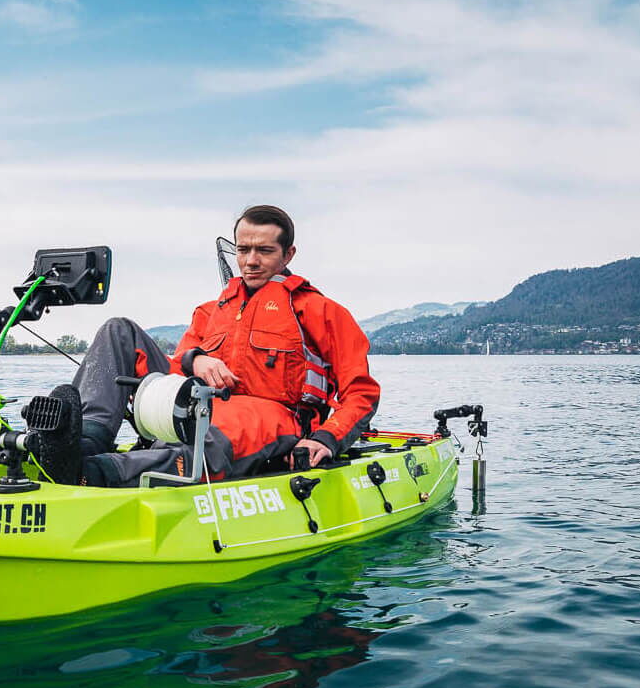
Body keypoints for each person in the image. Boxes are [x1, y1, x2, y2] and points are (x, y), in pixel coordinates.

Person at [31, 204, 380, 486]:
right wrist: (194, 361)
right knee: (118, 329)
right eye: (243, 250)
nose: (251, 261)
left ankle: (91, 474)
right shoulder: (211, 311)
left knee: (210, 437)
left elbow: (361, 393)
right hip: (196, 403)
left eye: (264, 250)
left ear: (288, 254)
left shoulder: (321, 311)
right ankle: (84, 444)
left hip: (273, 416)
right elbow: (177, 363)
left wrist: (325, 439)